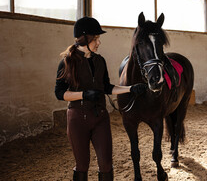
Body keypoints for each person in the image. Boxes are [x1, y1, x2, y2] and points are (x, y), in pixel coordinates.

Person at [55, 17, 146, 181]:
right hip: (77, 118)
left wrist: (131, 88)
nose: (99, 42)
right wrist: (84, 94)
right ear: (85, 38)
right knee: (82, 165)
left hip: (100, 117)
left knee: (106, 164)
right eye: (96, 38)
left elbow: (107, 87)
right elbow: (59, 93)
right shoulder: (67, 62)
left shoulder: (100, 60)